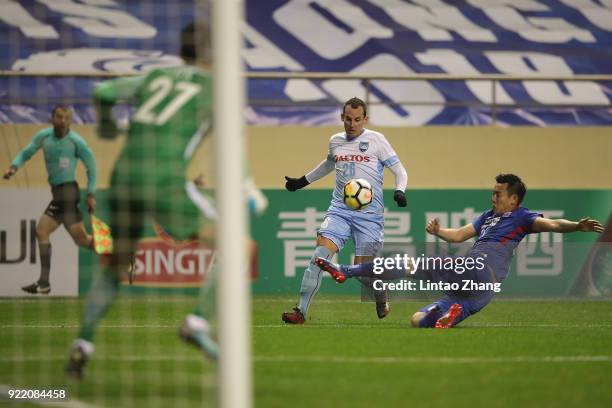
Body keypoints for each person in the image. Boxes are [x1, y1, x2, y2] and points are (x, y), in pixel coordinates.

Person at [65, 22, 219, 379]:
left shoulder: (156, 76)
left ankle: (83, 343)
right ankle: (196, 322)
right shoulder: (216, 87)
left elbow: (104, 90)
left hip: (122, 177)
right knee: (237, 245)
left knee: (116, 265)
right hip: (162, 179)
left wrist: (105, 127)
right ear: (215, 53)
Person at [315, 174, 604, 328]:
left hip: (475, 268)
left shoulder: (523, 217)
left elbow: (551, 223)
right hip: (483, 289)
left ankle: (346, 271)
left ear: (514, 200)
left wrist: (577, 226)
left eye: (498, 194)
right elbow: (460, 235)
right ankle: (451, 314)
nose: (493, 197)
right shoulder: (487, 217)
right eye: (493, 192)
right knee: (419, 321)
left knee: (409, 265)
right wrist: (439, 232)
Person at [282, 97, 408, 324]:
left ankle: (381, 293)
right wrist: (302, 182)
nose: (352, 124)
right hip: (340, 210)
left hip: (369, 216)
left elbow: (400, 171)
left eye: (357, 120)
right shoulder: (335, 141)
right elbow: (329, 164)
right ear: (342, 117)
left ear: (365, 119)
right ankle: (300, 312)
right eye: (348, 119)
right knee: (319, 258)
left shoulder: (377, 140)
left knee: (362, 269)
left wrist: (400, 191)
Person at [3, 106, 97, 294]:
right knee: (82, 239)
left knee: (41, 230)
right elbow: (26, 152)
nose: (63, 121)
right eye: (59, 117)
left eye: (67, 118)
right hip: (58, 192)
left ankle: (44, 283)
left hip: (68, 192)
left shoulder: (76, 141)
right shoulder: (44, 137)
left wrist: (92, 194)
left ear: (71, 120)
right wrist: (13, 167)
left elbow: (91, 165)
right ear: (52, 118)